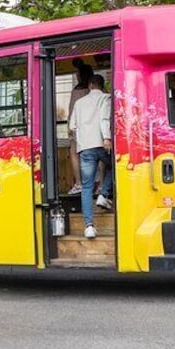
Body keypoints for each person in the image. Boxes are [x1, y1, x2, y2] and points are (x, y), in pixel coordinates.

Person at [69, 74, 113, 239]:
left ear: (90, 85)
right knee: (113, 166)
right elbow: (104, 119)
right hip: (102, 144)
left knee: (86, 187)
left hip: (85, 148)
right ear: (102, 86)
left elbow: (72, 126)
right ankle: (104, 194)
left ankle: (88, 226)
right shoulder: (105, 98)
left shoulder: (79, 103)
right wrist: (107, 138)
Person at [66, 59, 94, 195]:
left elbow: (71, 113)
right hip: (95, 130)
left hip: (79, 130)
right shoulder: (98, 91)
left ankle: (78, 183)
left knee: (74, 153)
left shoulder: (76, 91)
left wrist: (70, 132)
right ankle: (99, 184)